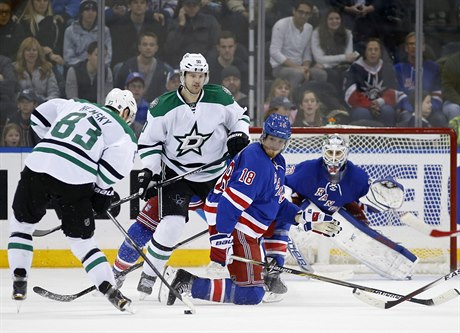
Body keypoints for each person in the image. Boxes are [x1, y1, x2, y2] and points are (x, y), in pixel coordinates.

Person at [162, 114, 341, 306]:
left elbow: (278, 204)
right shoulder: (255, 162)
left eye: (280, 142)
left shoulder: (278, 163)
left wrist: (306, 218)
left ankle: (192, 282)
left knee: (253, 288)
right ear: (264, 136)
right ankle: (188, 283)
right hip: (238, 229)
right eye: (272, 139)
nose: (274, 146)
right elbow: (230, 204)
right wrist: (221, 243)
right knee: (251, 294)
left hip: (248, 231)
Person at [112, 52, 250, 297]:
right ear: (182, 76)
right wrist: (150, 173)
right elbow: (150, 143)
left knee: (231, 222)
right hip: (177, 175)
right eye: (192, 75)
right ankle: (136, 274)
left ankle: (245, 270)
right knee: (168, 224)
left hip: (215, 177)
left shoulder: (220, 97)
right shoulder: (163, 106)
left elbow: (240, 119)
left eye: (201, 75)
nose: (197, 80)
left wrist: (239, 135)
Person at [7, 88, 137, 312]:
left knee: (21, 226)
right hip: (74, 179)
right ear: (125, 111)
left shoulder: (75, 103)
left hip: (38, 164)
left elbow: (37, 117)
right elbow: (111, 171)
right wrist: (100, 192)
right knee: (82, 241)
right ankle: (109, 289)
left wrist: (56, 142)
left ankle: (19, 279)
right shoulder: (123, 131)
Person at [262, 134, 414, 301]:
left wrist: (385, 198)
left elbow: (371, 205)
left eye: (338, 153)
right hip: (307, 211)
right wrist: (291, 215)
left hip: (336, 213)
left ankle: (401, 267)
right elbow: (281, 188)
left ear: (346, 153)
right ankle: (271, 269)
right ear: (323, 152)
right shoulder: (307, 170)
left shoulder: (357, 177)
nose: (333, 158)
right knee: (281, 221)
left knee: (359, 229)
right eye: (330, 152)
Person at [343, 38, 401, 126]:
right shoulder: (355, 68)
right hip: (361, 106)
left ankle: (387, 139)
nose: (373, 52)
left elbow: (393, 91)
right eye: (370, 49)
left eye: (376, 49)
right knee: (362, 113)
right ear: (365, 52)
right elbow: (350, 93)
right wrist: (369, 105)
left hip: (382, 104)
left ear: (380, 52)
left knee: (387, 111)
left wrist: (379, 102)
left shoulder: (387, 68)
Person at [269, 0, 325, 90]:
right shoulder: (281, 25)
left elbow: (307, 53)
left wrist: (306, 68)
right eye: (300, 12)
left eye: (307, 13)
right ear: (294, 11)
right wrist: (297, 68)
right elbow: (274, 52)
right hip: (280, 67)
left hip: (300, 66)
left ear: (310, 15)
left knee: (321, 74)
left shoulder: (309, 28)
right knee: (297, 74)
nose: (303, 16)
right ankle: (292, 101)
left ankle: (313, 101)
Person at [394, 32, 447, 127]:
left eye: (418, 44)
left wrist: (427, 109)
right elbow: (398, 94)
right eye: (411, 44)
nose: (414, 46)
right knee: (409, 119)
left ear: (423, 47)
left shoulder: (434, 68)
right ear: (406, 48)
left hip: (429, 109)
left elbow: (437, 96)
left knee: (440, 119)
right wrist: (416, 109)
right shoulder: (398, 69)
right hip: (407, 110)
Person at [311, 8, 358, 94]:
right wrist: (343, 57)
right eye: (331, 19)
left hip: (337, 66)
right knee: (334, 75)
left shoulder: (347, 33)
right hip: (328, 68)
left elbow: (349, 58)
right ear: (326, 20)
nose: (334, 21)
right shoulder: (317, 33)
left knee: (347, 73)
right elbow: (318, 58)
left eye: (337, 18)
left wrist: (325, 65)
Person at [114, 31, 170, 102]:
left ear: (156, 48)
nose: (148, 47)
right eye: (145, 44)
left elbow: (164, 95)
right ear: (139, 47)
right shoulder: (127, 66)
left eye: (151, 45)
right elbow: (119, 90)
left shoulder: (163, 70)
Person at [108, 0, 166, 67]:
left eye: (142, 3)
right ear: (129, 6)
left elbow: (159, 49)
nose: (139, 5)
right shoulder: (120, 25)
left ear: (147, 6)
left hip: (150, 62)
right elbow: (119, 52)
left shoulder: (154, 24)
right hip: (127, 63)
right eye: (135, 2)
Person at [163, 0, 221, 67]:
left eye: (194, 5)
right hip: (182, 64)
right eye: (188, 5)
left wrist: (206, 62)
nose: (191, 8)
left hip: (205, 64)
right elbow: (170, 48)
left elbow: (216, 45)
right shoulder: (175, 23)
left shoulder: (210, 21)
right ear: (182, 6)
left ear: (199, 6)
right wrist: (181, 26)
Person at [63, 0, 112, 67]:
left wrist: (96, 65)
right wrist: (85, 67)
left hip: (99, 68)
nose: (90, 13)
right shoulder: (70, 31)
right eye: (87, 10)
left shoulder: (104, 30)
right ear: (81, 13)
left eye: (93, 10)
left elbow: (108, 56)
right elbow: (68, 58)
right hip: (77, 69)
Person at [14, 37, 60, 102]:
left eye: (34, 50)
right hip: (22, 107)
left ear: (38, 53)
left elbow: (54, 92)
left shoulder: (47, 68)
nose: (31, 53)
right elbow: (13, 93)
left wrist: (44, 103)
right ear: (23, 52)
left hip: (43, 106)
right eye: (28, 50)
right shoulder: (15, 69)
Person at [124, 71, 149, 137]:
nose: (136, 89)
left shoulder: (149, 109)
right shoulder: (120, 107)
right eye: (133, 86)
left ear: (143, 89)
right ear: (126, 88)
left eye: (139, 86)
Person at [441, 51, 460, 122]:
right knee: (453, 109)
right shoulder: (452, 62)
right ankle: (457, 133)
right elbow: (447, 87)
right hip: (454, 101)